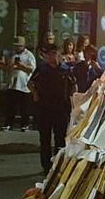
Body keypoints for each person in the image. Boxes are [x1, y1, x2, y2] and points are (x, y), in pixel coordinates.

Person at [31, 45, 75, 173]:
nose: (52, 57)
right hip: (44, 107)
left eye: (54, 54)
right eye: (49, 54)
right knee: (45, 138)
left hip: (61, 107)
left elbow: (73, 85)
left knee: (60, 138)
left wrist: (73, 100)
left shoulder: (65, 69)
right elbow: (31, 82)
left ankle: (57, 165)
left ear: (59, 54)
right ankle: (46, 166)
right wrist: (35, 94)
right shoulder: (42, 69)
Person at [2, 36, 36, 131]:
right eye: (15, 46)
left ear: (23, 46)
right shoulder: (11, 54)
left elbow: (32, 69)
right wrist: (10, 65)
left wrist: (21, 66)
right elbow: (5, 68)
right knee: (11, 106)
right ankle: (8, 124)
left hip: (24, 85)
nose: (17, 48)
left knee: (24, 107)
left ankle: (24, 124)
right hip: (12, 83)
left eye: (19, 46)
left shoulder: (29, 55)